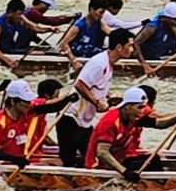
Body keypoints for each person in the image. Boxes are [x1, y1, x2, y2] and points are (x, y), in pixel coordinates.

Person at [59, 29, 138, 167]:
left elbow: (95, 85)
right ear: (119, 47)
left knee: (92, 159)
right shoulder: (99, 63)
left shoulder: (108, 63)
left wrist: (109, 95)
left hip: (85, 121)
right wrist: (96, 103)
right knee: (70, 162)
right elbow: (80, 84)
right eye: (129, 46)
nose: (132, 49)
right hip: (72, 119)